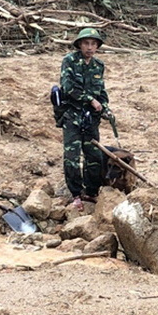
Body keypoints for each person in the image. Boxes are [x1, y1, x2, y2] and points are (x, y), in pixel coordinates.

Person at [59, 28, 109, 211]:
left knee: (94, 156)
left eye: (93, 44)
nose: (89, 47)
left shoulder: (98, 66)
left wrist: (105, 107)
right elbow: (68, 87)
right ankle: (76, 194)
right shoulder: (69, 61)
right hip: (72, 115)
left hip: (91, 119)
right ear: (80, 44)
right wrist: (90, 100)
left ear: (97, 46)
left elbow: (101, 91)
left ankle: (91, 191)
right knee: (72, 157)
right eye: (86, 43)